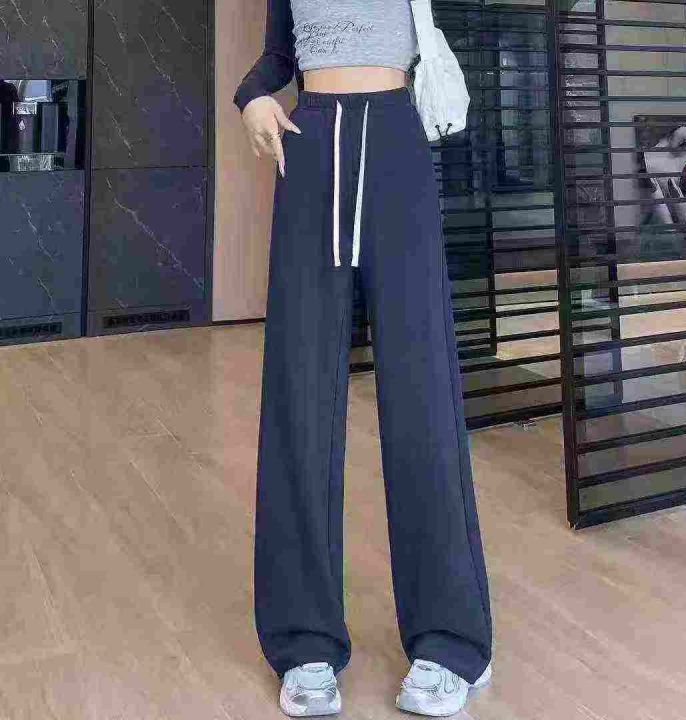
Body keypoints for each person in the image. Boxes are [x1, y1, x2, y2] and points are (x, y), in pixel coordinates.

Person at [234, 1, 493, 716]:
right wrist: (251, 97)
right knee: (298, 391)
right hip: (310, 145)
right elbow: (279, 58)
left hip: (396, 147)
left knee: (422, 391)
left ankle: (451, 640)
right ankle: (303, 641)